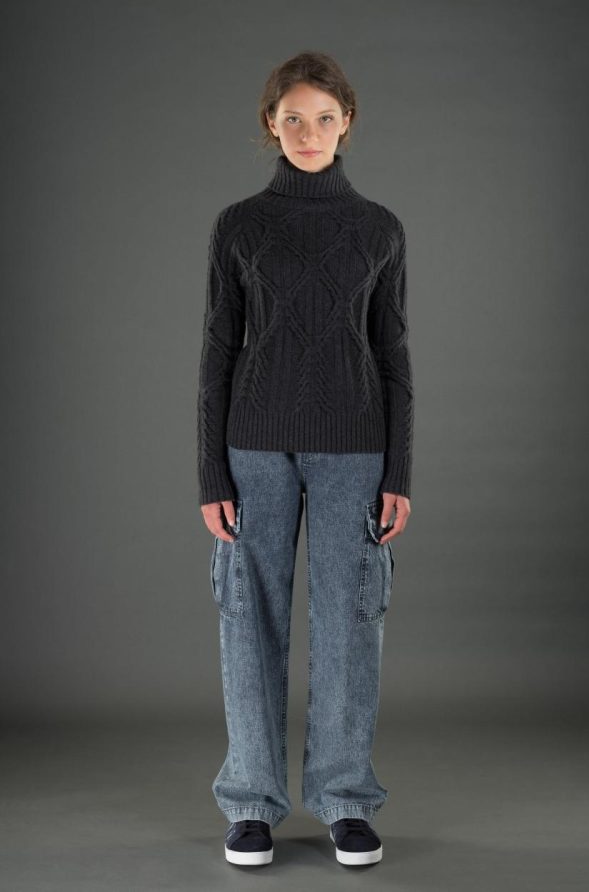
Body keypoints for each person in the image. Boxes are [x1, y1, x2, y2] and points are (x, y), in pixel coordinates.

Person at [196, 50, 414, 868]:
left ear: (347, 122)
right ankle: (251, 803)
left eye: (325, 118)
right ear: (271, 124)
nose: (309, 132)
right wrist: (211, 474)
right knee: (247, 624)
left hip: (356, 449)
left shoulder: (380, 229)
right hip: (253, 446)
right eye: (293, 118)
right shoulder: (238, 226)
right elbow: (217, 353)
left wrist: (399, 472)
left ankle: (347, 801)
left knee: (350, 626)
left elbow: (393, 355)